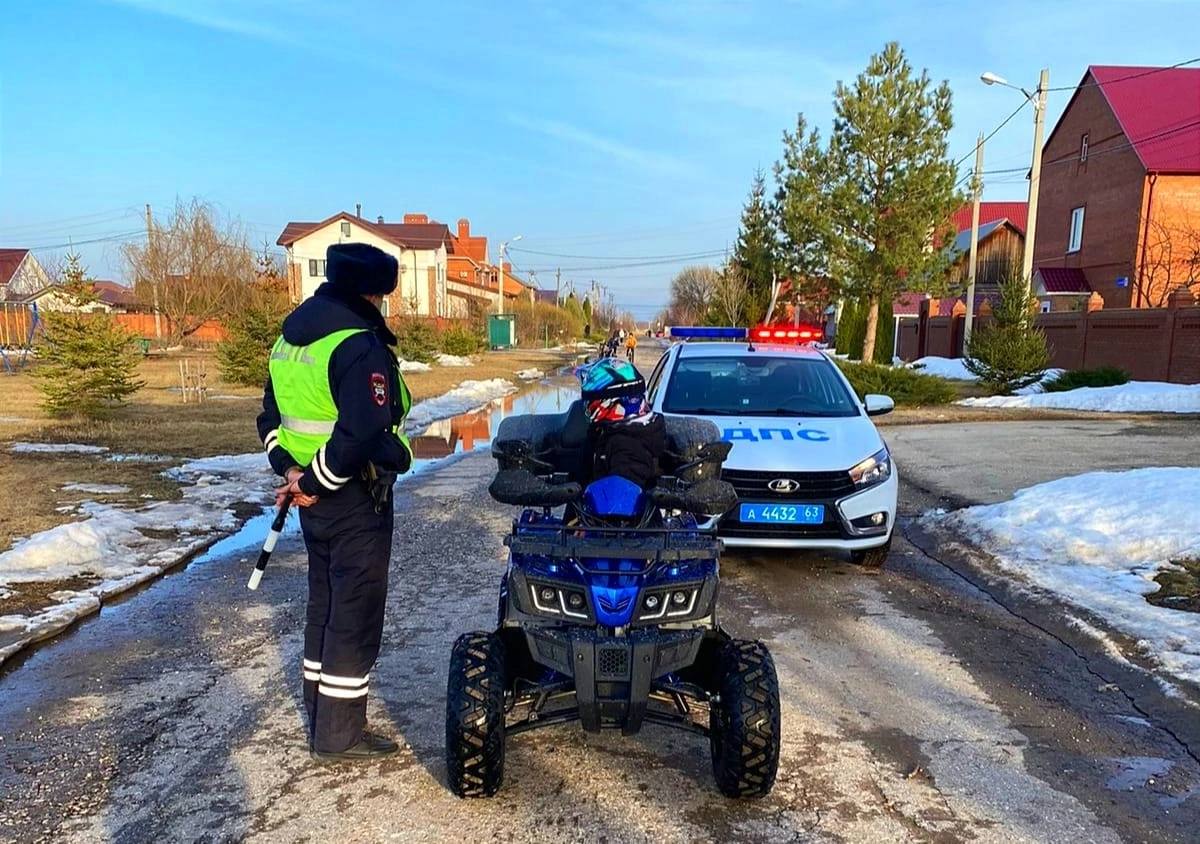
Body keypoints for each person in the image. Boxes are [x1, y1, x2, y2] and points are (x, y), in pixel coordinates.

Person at [257, 242, 413, 763]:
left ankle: (319, 713)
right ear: (371, 292)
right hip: (352, 498)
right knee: (354, 611)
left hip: (312, 503)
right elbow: (361, 431)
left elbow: (270, 421)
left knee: (323, 605)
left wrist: (292, 473)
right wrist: (318, 481)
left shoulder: (289, 338)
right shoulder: (357, 344)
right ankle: (340, 735)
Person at [576, 358, 665, 489]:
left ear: (609, 402)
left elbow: (620, 500)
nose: (587, 406)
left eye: (590, 400)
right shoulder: (607, 431)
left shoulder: (627, 446)